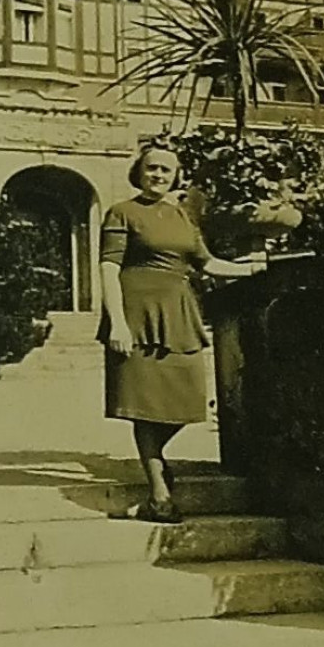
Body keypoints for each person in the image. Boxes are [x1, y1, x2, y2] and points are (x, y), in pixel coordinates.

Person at [98, 145, 265, 523]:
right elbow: (108, 268)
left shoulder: (184, 218)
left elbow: (208, 264)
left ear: (176, 176)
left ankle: (156, 467)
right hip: (137, 316)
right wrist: (118, 323)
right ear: (137, 171)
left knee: (187, 401)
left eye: (165, 170)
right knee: (143, 406)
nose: (157, 174)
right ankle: (160, 496)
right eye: (151, 168)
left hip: (178, 314)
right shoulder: (122, 212)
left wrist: (254, 268)